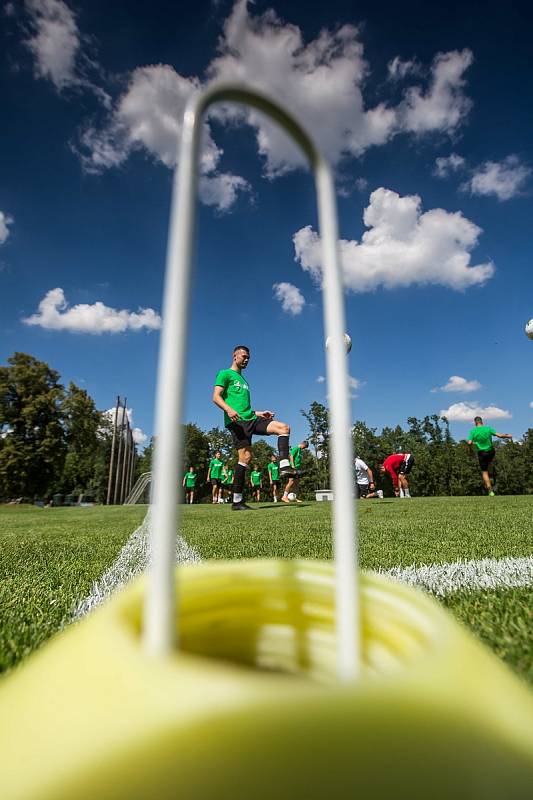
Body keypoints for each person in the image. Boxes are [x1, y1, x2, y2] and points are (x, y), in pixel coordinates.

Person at [213, 345, 296, 511]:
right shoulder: (225, 374)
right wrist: (229, 410)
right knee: (245, 458)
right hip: (236, 422)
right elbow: (215, 397)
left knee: (283, 428)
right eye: (243, 356)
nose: (246, 360)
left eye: (248, 358)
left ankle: (284, 464)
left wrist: (260, 413)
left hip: (251, 418)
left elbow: (245, 408)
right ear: (235, 356)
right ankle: (237, 501)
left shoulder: (244, 381)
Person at [467, 416, 512, 495]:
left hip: (481, 453)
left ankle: (490, 490)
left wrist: (470, 450)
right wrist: (507, 436)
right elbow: (499, 435)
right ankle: (490, 474)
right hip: (491, 451)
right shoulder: (488, 428)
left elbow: (469, 442)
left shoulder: (473, 431)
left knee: (484, 472)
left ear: (475, 423)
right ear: (482, 422)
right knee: (490, 462)